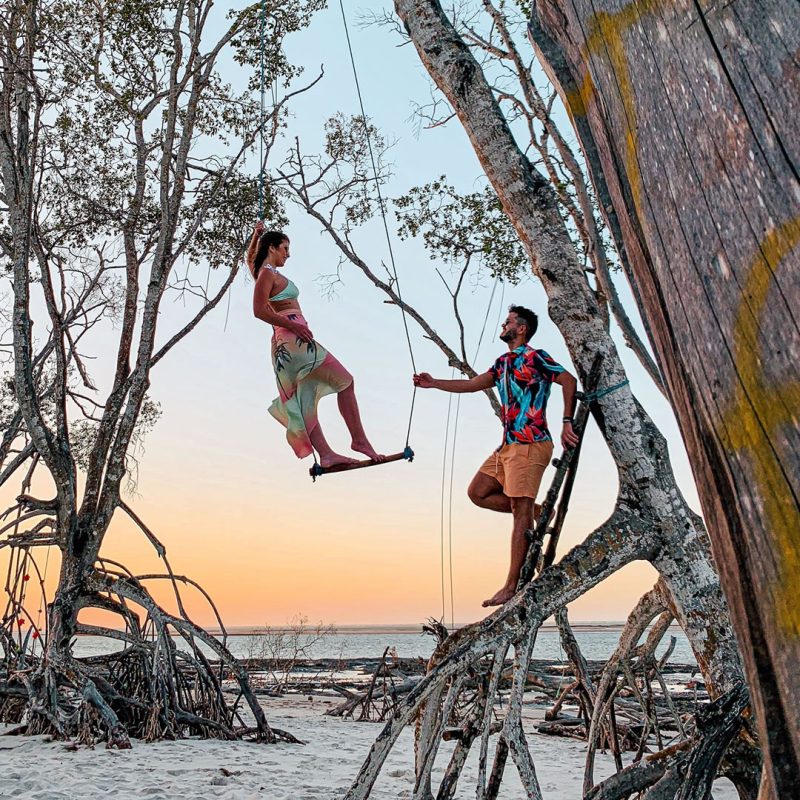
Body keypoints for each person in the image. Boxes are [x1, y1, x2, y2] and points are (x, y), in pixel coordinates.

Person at [414, 305, 578, 607]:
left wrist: (567, 421)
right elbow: (472, 384)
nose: (504, 325)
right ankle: (538, 513)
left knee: (519, 511)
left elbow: (569, 380)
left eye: (509, 322)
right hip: (507, 445)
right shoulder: (502, 363)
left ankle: (510, 586)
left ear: (522, 329)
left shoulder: (535, 357)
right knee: (477, 492)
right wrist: (434, 383)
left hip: (531, 443)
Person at [248, 221, 384, 468]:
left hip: (286, 345)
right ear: (273, 247)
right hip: (292, 340)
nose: (288, 254)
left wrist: (255, 237)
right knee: (346, 380)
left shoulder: (265, 272)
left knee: (305, 398)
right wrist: (293, 326)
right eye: (285, 248)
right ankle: (359, 440)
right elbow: (258, 311)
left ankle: (327, 455)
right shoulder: (267, 272)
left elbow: (250, 262)